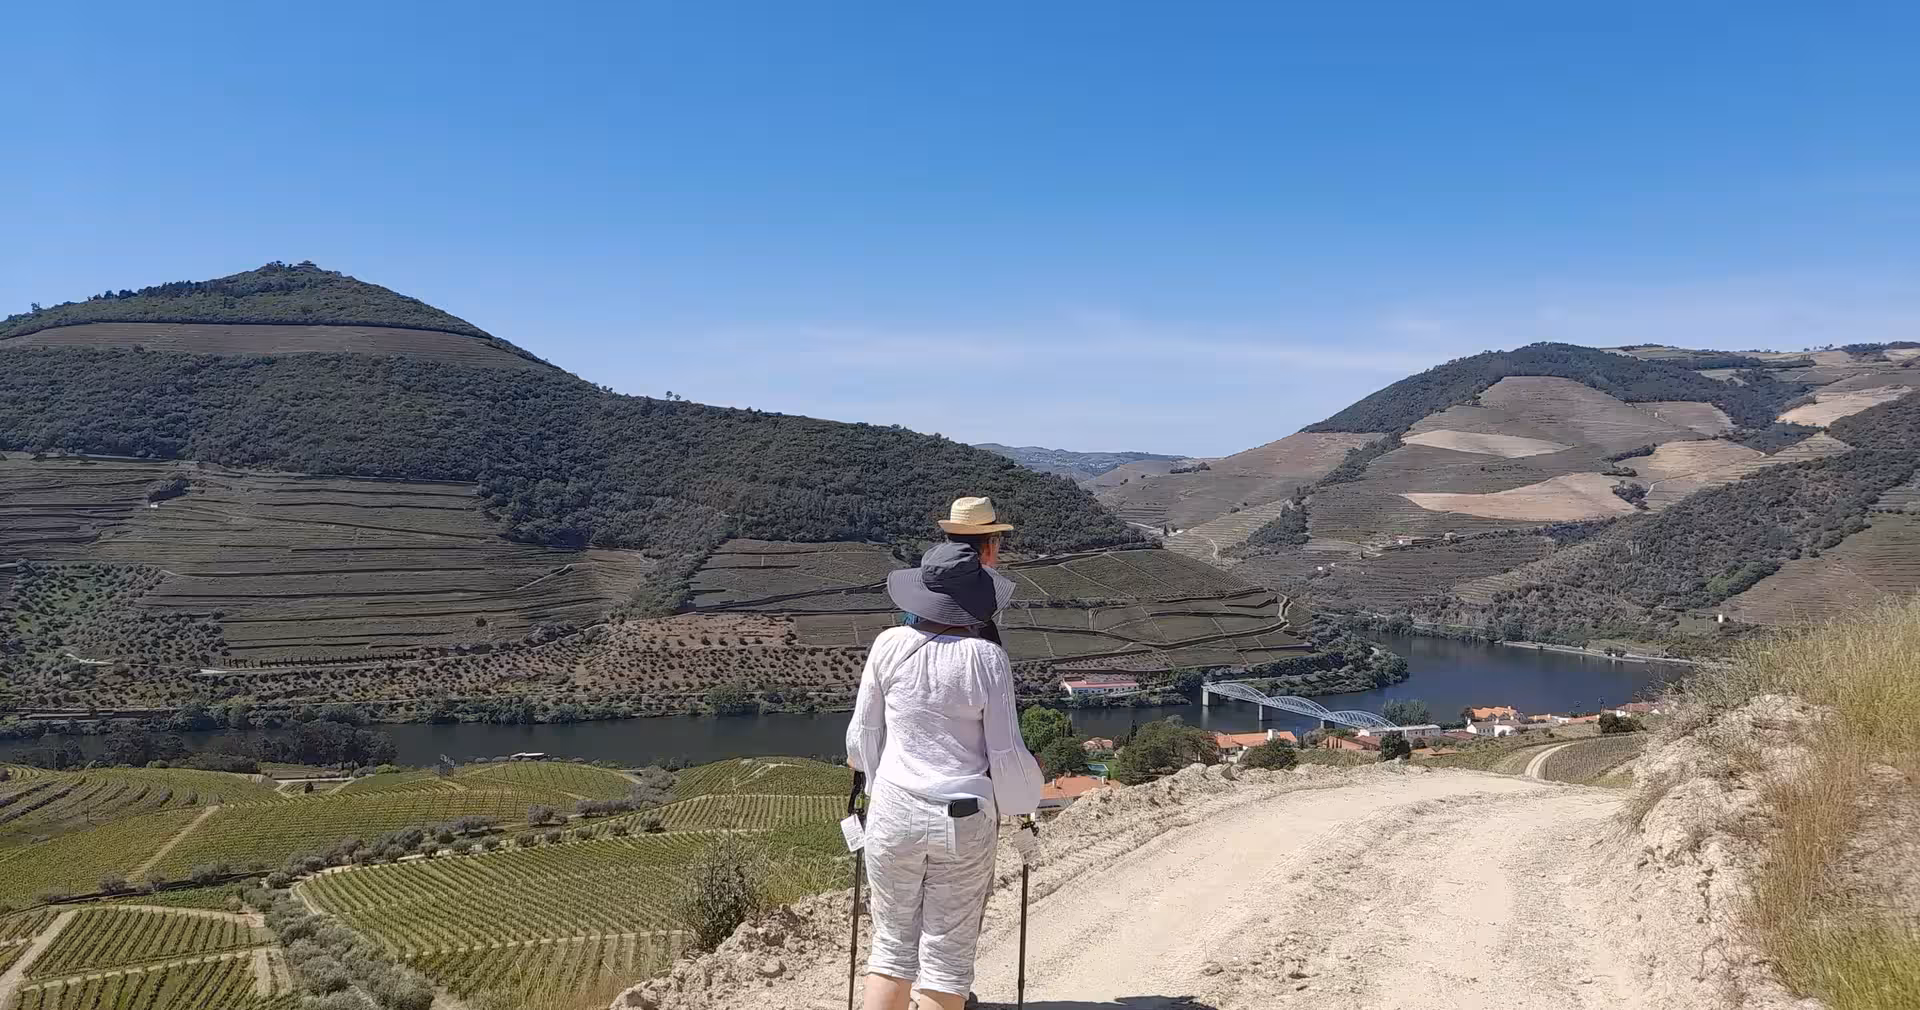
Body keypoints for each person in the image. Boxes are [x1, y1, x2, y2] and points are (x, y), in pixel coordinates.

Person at [846, 497, 1043, 1010]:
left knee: (890, 949)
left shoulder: (888, 644)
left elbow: (861, 738)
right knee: (946, 957)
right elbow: (1004, 753)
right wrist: (1024, 808)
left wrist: (871, 785)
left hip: (893, 809)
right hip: (962, 818)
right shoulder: (987, 658)